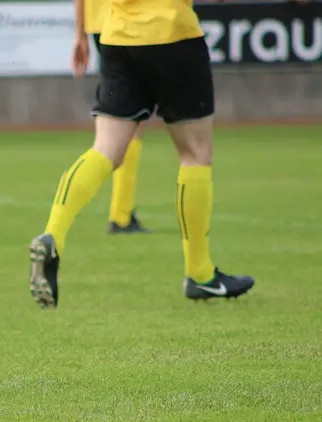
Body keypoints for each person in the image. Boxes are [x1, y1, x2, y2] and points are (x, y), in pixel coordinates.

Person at [28, 0, 255, 308]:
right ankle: (200, 274)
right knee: (195, 154)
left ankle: (53, 234)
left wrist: (80, 33)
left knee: (105, 149)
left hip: (118, 36)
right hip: (172, 33)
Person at [84, 0, 148, 234]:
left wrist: (79, 34)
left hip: (97, 23)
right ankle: (121, 214)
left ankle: (122, 211)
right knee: (131, 120)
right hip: (126, 22)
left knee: (121, 120)